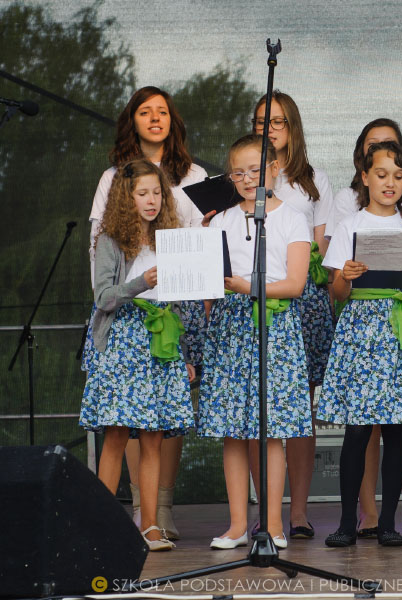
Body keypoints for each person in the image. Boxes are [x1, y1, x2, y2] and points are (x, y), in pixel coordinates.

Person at [85, 86, 206, 539]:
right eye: (143, 193)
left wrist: (184, 351)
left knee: (154, 435)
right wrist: (142, 283)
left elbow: (176, 301)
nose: (152, 200)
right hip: (121, 341)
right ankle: (104, 526)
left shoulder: (168, 238)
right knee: (117, 435)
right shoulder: (112, 241)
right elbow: (103, 297)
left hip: (160, 342)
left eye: (157, 193)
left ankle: (151, 525)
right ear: (126, 196)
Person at [197, 134, 311, 550]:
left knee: (272, 429)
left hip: (274, 324)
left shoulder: (292, 218)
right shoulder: (222, 219)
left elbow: (295, 284)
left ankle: (274, 524)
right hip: (230, 325)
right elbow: (208, 281)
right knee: (233, 431)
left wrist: (249, 287)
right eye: (238, 173)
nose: (247, 179)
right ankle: (236, 525)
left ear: (275, 170)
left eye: (255, 171)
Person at [319, 141, 402, 547]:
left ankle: (388, 522)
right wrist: (346, 277)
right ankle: (348, 521)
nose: (390, 183)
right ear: (365, 177)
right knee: (357, 429)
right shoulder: (350, 225)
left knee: (398, 430)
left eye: (398, 176)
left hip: (401, 331)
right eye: (381, 175)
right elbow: (336, 294)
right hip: (362, 333)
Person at [246, 91, 333, 540]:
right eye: (261, 122)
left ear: (292, 126)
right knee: (257, 408)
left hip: (303, 301)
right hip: (252, 300)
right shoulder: (243, 175)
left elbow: (322, 247)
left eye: (277, 121)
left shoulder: (313, 180)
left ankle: (297, 512)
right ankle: (266, 513)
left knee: (298, 409)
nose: (269, 129)